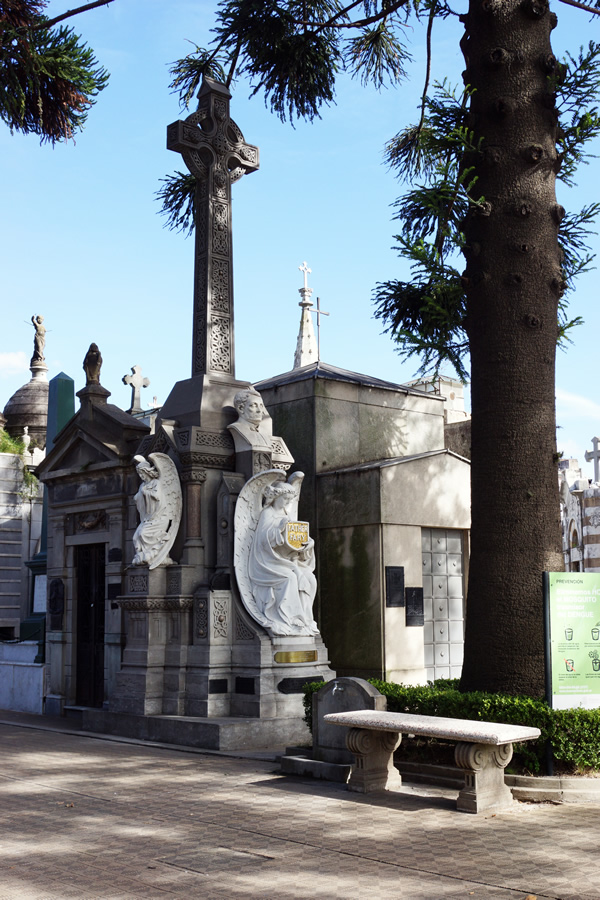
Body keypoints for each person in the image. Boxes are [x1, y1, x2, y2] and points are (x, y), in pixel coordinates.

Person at [248, 481, 319, 635]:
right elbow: (262, 540)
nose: (287, 502)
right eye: (285, 498)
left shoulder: (286, 515)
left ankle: (306, 619)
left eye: (289, 500)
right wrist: (278, 529)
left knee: (310, 579)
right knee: (289, 578)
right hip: (267, 562)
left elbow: (294, 539)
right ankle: (290, 618)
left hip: (287, 561)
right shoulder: (268, 513)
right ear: (276, 497)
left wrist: (307, 544)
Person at [132, 456, 170, 566]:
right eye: (139, 474)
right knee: (135, 537)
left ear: (147, 472)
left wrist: (145, 493)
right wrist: (138, 497)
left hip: (159, 516)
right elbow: (140, 498)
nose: (141, 476)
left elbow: (157, 496)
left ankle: (153, 554)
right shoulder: (143, 485)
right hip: (148, 517)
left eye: (142, 473)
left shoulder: (155, 483)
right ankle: (142, 555)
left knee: (143, 534)